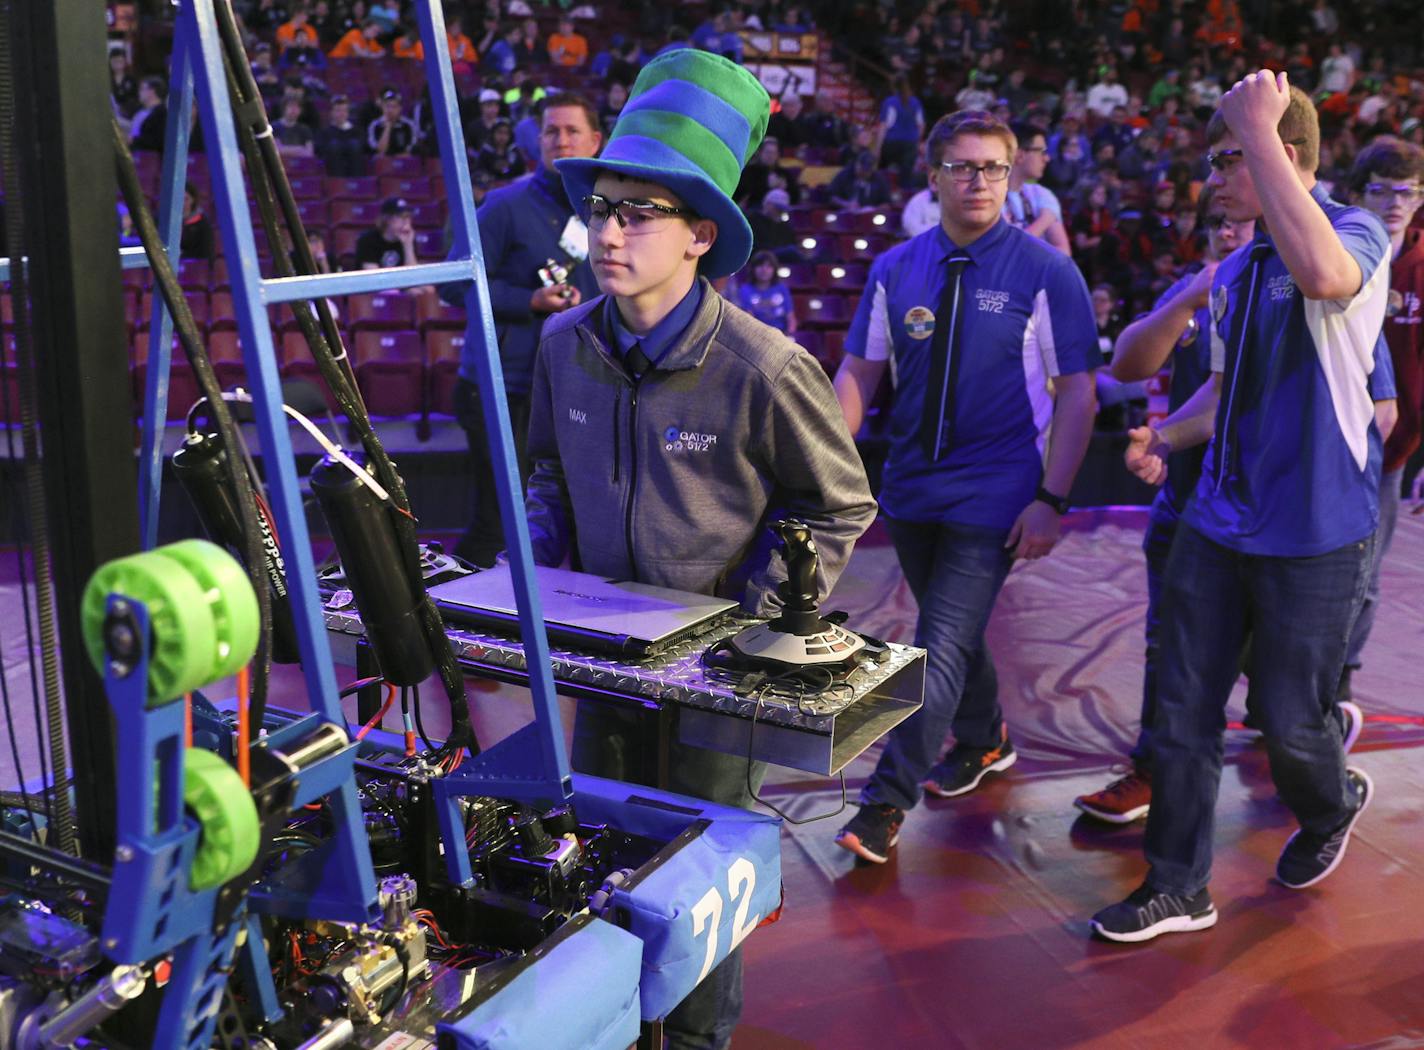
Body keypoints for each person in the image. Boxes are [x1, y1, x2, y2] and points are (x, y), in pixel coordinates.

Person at [536, 50, 876, 1049]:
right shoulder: (561, 347)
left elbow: (837, 502)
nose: (606, 232)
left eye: (637, 213)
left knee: (696, 891)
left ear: (698, 237)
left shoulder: (764, 367)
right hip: (596, 663)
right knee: (595, 860)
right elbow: (544, 471)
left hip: (713, 688)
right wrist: (545, 572)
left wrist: (749, 627)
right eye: (600, 208)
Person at [1091, 73, 1392, 944]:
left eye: (1229, 157)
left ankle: (1330, 802)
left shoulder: (1352, 231)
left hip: (1315, 535)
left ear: (1281, 156)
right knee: (1183, 709)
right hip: (1217, 525)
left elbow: (1328, 279)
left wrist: (1259, 129)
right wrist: (1164, 440)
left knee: (1291, 724)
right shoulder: (1239, 269)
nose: (1211, 178)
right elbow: (1223, 397)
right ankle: (1178, 883)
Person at [832, 110, 1099, 864]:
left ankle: (886, 801)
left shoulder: (1046, 271)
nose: (977, 180)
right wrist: (821, 456)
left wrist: (1052, 498)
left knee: (936, 642)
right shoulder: (896, 266)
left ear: (1012, 178)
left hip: (998, 489)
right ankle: (984, 739)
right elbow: (860, 371)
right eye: (961, 166)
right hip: (912, 487)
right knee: (954, 628)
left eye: (992, 168)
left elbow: (1077, 391)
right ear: (933, 176)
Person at [1073, 187, 1256, 822]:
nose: (1229, 237)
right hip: (1184, 498)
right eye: (1219, 227)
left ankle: (1307, 749)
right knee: (1166, 644)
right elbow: (1127, 364)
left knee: (1272, 666)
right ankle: (1154, 770)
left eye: (1243, 225)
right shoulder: (1195, 292)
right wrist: (1184, 299)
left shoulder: (1284, 294)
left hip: (1262, 510)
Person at [440, 93, 603, 569]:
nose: (561, 139)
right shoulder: (504, 205)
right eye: (552, 131)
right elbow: (453, 286)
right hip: (503, 389)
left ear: (596, 140)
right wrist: (528, 301)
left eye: (572, 130)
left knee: (562, 523)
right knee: (502, 520)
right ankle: (459, 624)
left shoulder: (604, 212)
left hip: (574, 387)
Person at [1339, 137, 1424, 699]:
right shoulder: (1336, 252)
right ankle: (1281, 682)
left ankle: (1338, 683)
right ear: (1356, 194)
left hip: (1392, 448)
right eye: (1380, 189)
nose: (1394, 202)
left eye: (1407, 191)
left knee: (1365, 578)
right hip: (1326, 439)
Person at [1002, 121, 1070, 256]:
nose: (1047, 158)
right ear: (1019, 155)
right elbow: (1007, 252)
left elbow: (1064, 252)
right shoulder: (989, 198)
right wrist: (1045, 219)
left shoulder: (1041, 193)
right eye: (1041, 151)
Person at [733, 250, 798, 335]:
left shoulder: (782, 288)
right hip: (757, 335)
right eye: (760, 265)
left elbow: (791, 319)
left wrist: (788, 336)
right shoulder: (745, 290)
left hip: (781, 335)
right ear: (753, 269)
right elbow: (748, 320)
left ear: (774, 270)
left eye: (769, 266)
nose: (764, 270)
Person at [877, 77, 925, 185]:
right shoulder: (916, 102)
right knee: (906, 179)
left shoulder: (889, 102)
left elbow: (884, 125)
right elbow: (921, 125)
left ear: (893, 87)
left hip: (891, 144)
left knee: (883, 174)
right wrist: (916, 142)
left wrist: (878, 148)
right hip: (910, 145)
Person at [354, 197, 420, 271]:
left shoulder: (409, 239)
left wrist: (408, 246)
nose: (406, 221)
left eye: (408, 216)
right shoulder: (368, 240)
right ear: (387, 219)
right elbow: (372, 277)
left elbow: (413, 276)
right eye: (400, 216)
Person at [316, 94, 366, 176]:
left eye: (344, 110)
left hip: (355, 173)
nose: (341, 113)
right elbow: (320, 150)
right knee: (334, 146)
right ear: (332, 112)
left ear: (348, 113)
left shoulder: (357, 131)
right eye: (338, 110)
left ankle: (356, 183)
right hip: (334, 174)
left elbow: (363, 148)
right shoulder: (325, 132)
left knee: (354, 145)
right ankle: (338, 183)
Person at [827, 150, 892, 210]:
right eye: (862, 169)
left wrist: (873, 209)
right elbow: (831, 197)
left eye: (867, 170)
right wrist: (846, 204)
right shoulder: (844, 175)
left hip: (870, 216)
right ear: (856, 164)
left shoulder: (879, 179)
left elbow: (886, 204)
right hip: (844, 214)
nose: (863, 173)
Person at [366, 87, 420, 157]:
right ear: (382, 107)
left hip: (404, 162)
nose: (390, 110)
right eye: (387, 106)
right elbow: (380, 150)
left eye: (394, 107)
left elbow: (410, 151)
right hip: (383, 163)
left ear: (400, 108)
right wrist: (388, 127)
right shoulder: (375, 125)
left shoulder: (408, 125)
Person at [130, 75, 168, 153]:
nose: (139, 93)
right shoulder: (140, 113)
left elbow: (158, 140)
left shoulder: (162, 113)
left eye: (142, 89)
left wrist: (134, 140)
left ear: (152, 91)